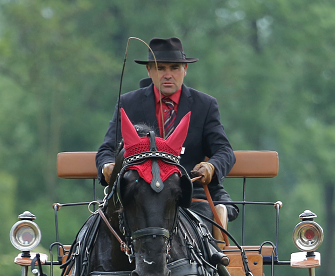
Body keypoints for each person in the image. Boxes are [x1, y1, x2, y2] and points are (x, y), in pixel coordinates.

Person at [96, 37, 238, 223]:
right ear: (149, 70)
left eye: (174, 68)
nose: (167, 74)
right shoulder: (128, 103)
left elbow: (224, 151)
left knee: (210, 223)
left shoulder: (205, 105)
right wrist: (107, 167)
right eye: (160, 68)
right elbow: (107, 150)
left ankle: (217, 247)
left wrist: (211, 167)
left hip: (190, 194)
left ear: (185, 70)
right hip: (138, 195)